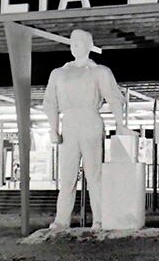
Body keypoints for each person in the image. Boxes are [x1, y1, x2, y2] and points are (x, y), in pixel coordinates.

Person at [41, 29, 128, 230]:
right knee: (67, 175)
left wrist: (120, 125)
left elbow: (115, 98)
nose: (75, 45)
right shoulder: (59, 73)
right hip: (69, 123)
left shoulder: (100, 71)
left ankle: (99, 219)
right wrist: (53, 129)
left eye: (79, 42)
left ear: (89, 45)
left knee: (94, 173)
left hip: (91, 121)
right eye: (72, 42)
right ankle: (62, 219)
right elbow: (50, 102)